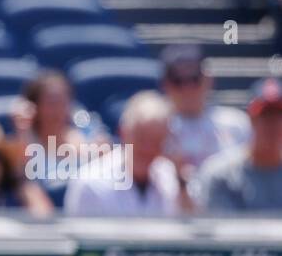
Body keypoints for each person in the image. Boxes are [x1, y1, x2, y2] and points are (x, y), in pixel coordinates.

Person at [64, 91, 193, 216]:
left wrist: (181, 183)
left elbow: (191, 228)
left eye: (156, 140)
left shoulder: (172, 178)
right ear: (123, 132)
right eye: (141, 137)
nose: (147, 148)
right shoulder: (90, 183)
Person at [159, 44, 250, 181]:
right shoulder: (155, 128)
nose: (187, 88)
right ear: (165, 84)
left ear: (208, 79)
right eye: (177, 80)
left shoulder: (237, 124)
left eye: (194, 78)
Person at [197, 77, 282, 211]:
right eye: (265, 116)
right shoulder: (221, 175)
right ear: (251, 119)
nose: (272, 124)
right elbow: (221, 228)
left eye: (278, 116)